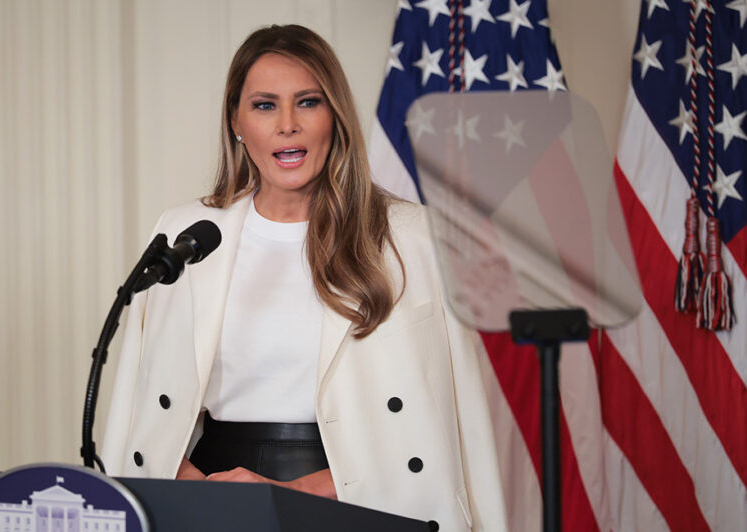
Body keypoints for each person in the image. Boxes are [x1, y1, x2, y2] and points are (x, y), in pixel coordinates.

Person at [102, 24, 507, 529]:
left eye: (308, 102)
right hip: (210, 500)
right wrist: (192, 487)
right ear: (236, 122)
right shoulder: (185, 233)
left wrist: (290, 493)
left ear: (335, 116)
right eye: (265, 105)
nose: (287, 124)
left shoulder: (411, 238)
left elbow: (438, 423)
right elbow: (143, 411)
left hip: (356, 501)